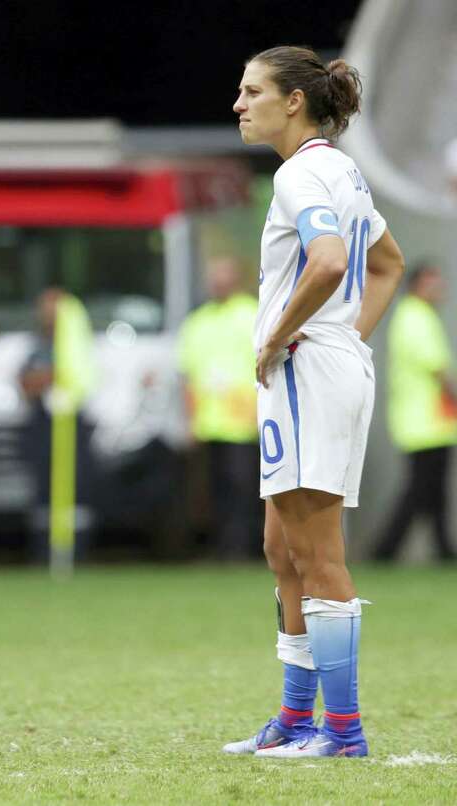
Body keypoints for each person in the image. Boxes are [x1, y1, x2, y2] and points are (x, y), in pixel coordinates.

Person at [223, 45, 404, 759]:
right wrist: (346, 338)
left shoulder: (303, 174)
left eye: (251, 90)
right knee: (282, 547)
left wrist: (282, 334)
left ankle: (342, 731)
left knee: (318, 555)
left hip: (306, 372)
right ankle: (296, 719)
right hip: (325, 366)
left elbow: (330, 261)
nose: (239, 103)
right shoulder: (341, 170)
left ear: (293, 100)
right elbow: (384, 264)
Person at [177, 258, 261, 559]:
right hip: (210, 422)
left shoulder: (251, 313)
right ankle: (224, 548)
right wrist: (190, 419)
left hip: (243, 421)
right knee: (215, 491)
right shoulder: (198, 321)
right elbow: (188, 375)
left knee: (243, 487)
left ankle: (243, 548)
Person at [373, 262, 457, 561]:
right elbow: (438, 370)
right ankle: (384, 551)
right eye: (433, 282)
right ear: (417, 286)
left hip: (428, 421)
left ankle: (443, 548)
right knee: (420, 491)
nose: (440, 288)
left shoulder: (413, 316)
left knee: (433, 491)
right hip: (424, 422)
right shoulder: (416, 317)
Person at [19, 287, 96, 563]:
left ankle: (76, 552)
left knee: (77, 491)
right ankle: (43, 553)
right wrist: (50, 376)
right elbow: (27, 383)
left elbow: (83, 378)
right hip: (43, 425)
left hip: (73, 425)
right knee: (43, 493)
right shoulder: (36, 347)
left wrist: (53, 377)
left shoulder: (79, 344)